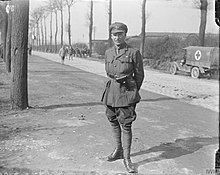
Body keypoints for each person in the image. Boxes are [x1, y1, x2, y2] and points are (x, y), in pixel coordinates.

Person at [101, 22, 144, 173]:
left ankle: (127, 158)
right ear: (111, 36)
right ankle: (118, 150)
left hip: (126, 92)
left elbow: (139, 76)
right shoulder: (108, 53)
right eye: (114, 34)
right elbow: (109, 72)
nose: (117, 37)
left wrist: (132, 92)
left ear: (125, 35)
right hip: (111, 92)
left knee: (126, 125)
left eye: (120, 34)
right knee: (113, 121)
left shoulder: (133, 52)